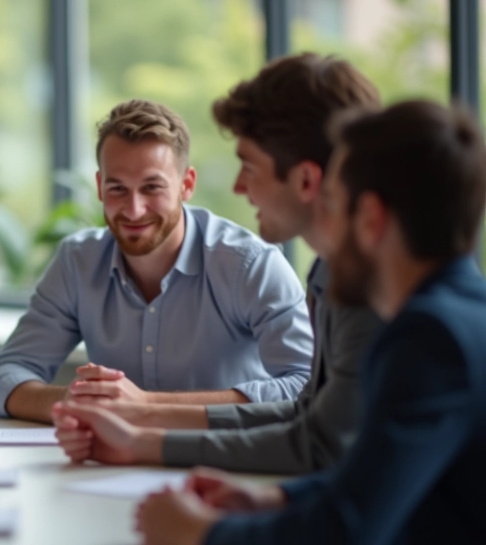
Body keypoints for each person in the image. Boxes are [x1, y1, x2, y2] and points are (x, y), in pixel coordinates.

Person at [137, 100, 486, 545]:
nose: (323, 223)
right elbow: (379, 478)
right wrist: (275, 499)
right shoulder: (460, 316)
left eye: (333, 204)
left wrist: (203, 533)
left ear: (371, 218)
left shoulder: (429, 339)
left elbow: (345, 530)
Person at [52, 54, 385, 474]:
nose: (238, 186)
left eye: (249, 166)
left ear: (305, 179)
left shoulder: (377, 293)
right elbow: (310, 419)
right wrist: (142, 433)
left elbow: (325, 449)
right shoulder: (332, 274)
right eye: (118, 188)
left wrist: (149, 427)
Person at [0, 99, 314, 423]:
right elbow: (0, 379)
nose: (134, 210)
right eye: (118, 188)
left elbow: (308, 386)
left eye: (152, 187)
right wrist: (75, 402)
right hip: (110, 454)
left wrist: (147, 405)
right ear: (100, 186)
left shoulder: (250, 265)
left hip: (224, 453)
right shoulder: (77, 262)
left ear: (187, 185)